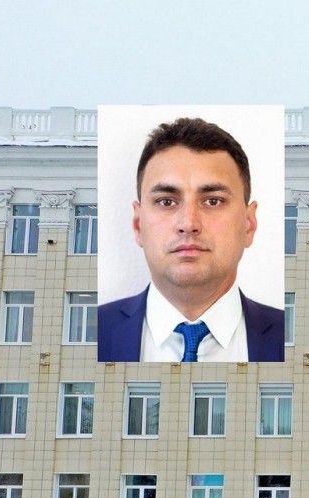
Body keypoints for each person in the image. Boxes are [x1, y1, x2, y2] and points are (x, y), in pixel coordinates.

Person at [98, 117, 284, 362]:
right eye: (166, 201)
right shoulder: (93, 331)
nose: (188, 224)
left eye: (213, 201)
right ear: (137, 224)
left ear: (249, 224)